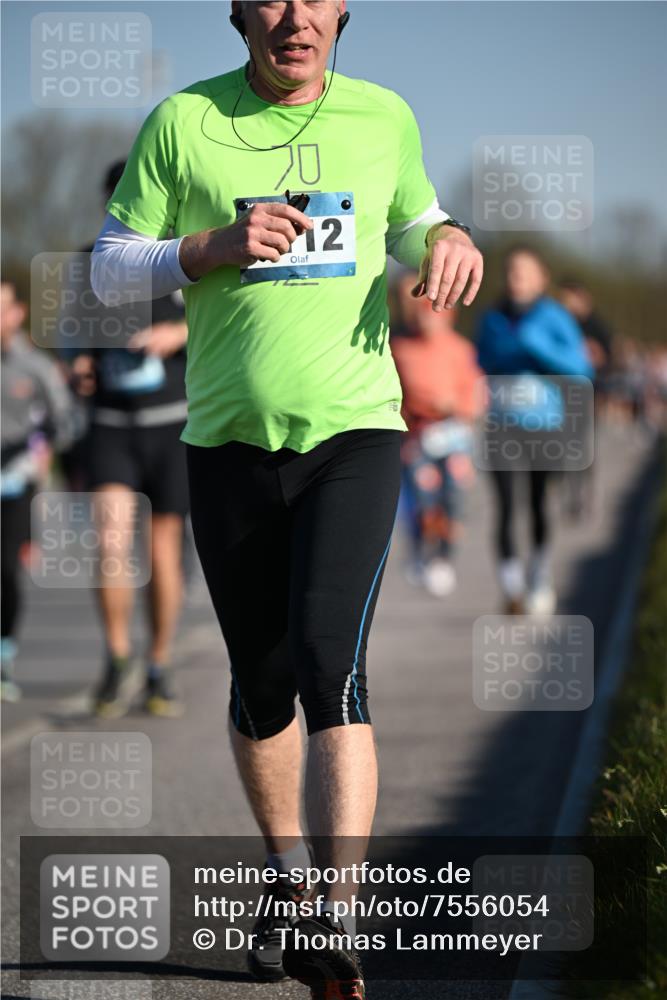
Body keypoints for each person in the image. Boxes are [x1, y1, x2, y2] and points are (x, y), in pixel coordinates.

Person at [90, 3, 483, 996]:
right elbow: (104, 268)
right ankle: (288, 877)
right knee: (259, 682)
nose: (295, 15)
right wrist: (210, 247)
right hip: (224, 441)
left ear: (343, 11)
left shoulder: (382, 116)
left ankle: (335, 922)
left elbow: (412, 219)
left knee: (326, 662)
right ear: (237, 12)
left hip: (355, 432)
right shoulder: (182, 123)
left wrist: (450, 236)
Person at [62, 162, 189, 719]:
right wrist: (80, 364)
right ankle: (117, 659)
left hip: (171, 422)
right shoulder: (88, 262)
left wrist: (174, 333)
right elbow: (71, 335)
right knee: (111, 545)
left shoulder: (179, 254)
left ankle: (158, 665)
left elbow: (222, 320)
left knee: (162, 552)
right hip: (111, 425)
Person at [476, 246, 593, 615]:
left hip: (545, 426)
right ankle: (512, 589)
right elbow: (478, 361)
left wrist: (534, 344)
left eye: (525, 272)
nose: (516, 279)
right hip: (501, 426)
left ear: (541, 278)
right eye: (511, 271)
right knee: (506, 505)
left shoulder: (555, 317)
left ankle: (539, 574)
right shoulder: (491, 318)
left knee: (539, 503)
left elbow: (581, 367)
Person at [1, 282, 74, 701]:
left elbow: (63, 423)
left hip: (14, 479)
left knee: (5, 570)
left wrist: (40, 447)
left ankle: (3, 654)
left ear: (16, 314)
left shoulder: (35, 367)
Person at [391, 272, 482, 597]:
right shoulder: (399, 347)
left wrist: (457, 406)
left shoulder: (460, 349)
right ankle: (420, 551)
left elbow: (474, 393)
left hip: (455, 434)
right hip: (418, 436)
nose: (425, 315)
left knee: (454, 499)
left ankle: (444, 558)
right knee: (421, 498)